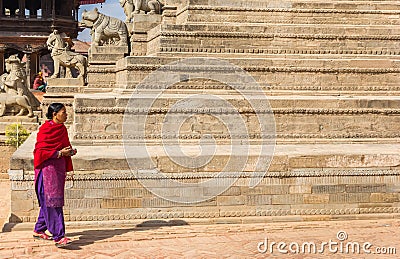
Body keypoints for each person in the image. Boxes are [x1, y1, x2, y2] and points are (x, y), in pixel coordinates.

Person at [33, 103, 77, 248]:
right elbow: (40, 152)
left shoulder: (62, 129)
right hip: (47, 171)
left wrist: (69, 152)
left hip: (58, 170)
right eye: (63, 112)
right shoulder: (46, 129)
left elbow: (64, 147)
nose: (66, 114)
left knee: (51, 201)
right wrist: (58, 153)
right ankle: (59, 236)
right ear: (55, 114)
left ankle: (39, 229)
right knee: (53, 202)